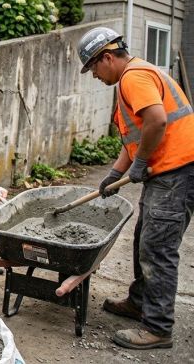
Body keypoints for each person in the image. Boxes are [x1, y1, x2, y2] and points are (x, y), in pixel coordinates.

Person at [78, 27, 194, 350]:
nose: (94, 76)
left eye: (93, 68)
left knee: (157, 247)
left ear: (107, 57)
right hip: (167, 172)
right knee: (145, 236)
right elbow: (134, 139)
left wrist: (141, 163)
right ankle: (140, 301)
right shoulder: (129, 80)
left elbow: (157, 121)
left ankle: (157, 328)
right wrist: (115, 174)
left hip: (178, 171)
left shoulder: (133, 76)